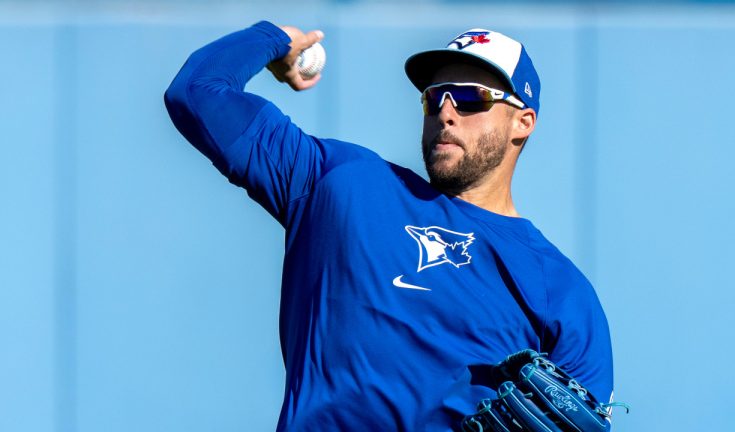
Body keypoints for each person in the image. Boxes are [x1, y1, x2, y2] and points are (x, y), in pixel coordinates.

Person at [165, 20, 613, 431]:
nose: (447, 112)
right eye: (434, 97)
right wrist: (274, 38)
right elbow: (196, 92)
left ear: (523, 122)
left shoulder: (561, 292)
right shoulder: (343, 183)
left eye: (472, 97)